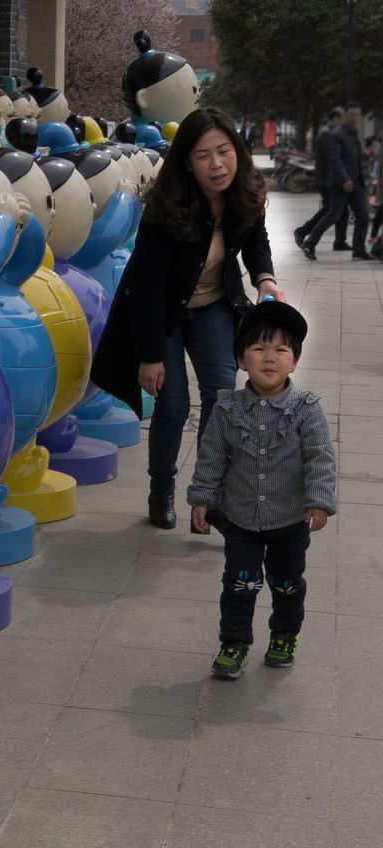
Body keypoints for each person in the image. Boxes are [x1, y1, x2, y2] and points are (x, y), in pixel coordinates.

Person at [90, 106, 286, 530]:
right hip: (163, 314)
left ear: (236, 149)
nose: (217, 164)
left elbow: (256, 239)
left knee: (221, 402)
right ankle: (161, 489)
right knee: (174, 406)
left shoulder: (246, 191)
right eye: (202, 156)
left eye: (223, 151)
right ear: (186, 162)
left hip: (214, 305)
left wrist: (265, 279)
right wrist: (150, 355)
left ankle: (206, 497)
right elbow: (147, 287)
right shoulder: (167, 207)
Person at [187, 300, 337, 679]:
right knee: (239, 583)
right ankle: (234, 642)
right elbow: (212, 457)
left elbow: (320, 457)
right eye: (258, 348)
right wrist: (202, 499)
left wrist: (318, 501)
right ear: (241, 360)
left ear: (295, 361)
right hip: (240, 520)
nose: (269, 358)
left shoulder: (307, 408)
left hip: (290, 521)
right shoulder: (226, 409)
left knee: (287, 584)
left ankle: (285, 634)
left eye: (280, 350)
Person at [300, 101, 372, 260]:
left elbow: (357, 155)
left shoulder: (354, 133)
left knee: (363, 216)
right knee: (333, 215)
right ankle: (309, 243)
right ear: (346, 115)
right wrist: (345, 178)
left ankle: (358, 250)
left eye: (357, 115)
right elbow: (335, 160)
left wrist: (366, 154)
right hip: (341, 183)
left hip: (356, 182)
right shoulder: (336, 135)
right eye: (352, 114)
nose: (355, 117)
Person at [294, 107, 349, 250]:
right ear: (336, 118)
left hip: (332, 177)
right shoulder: (327, 134)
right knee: (330, 209)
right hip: (327, 179)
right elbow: (332, 157)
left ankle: (340, 241)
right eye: (343, 118)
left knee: (342, 209)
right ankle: (302, 231)